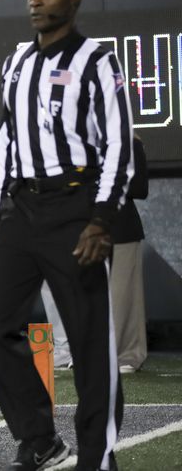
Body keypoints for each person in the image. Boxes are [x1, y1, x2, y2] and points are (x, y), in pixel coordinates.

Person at [0, 0, 133, 471]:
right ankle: (39, 438)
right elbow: (7, 144)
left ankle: (98, 458)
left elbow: (119, 147)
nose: (36, 1)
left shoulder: (97, 61)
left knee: (90, 342)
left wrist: (102, 220)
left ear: (74, 0)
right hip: (23, 207)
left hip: (75, 206)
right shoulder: (16, 62)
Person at [111, 135, 148, 374]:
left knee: (124, 296)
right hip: (81, 227)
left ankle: (128, 355)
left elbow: (140, 188)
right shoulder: (77, 138)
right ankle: (93, 353)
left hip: (120, 227)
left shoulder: (129, 142)